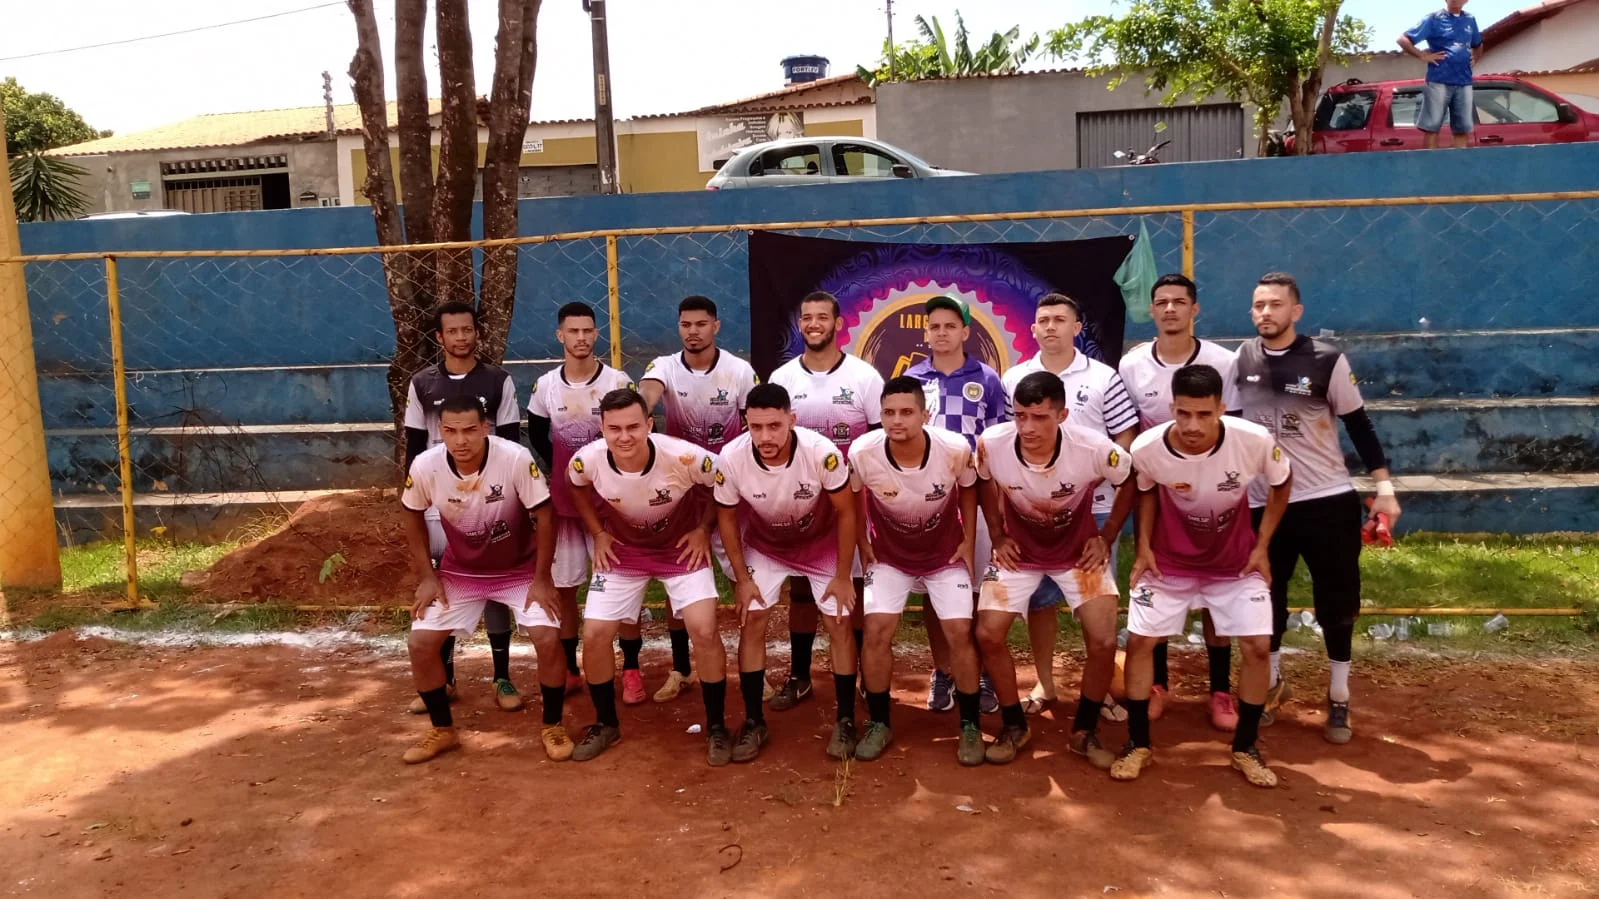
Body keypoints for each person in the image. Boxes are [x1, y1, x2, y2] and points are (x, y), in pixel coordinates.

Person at [1235, 272, 1401, 744]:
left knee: (1337, 603)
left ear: (1296, 311)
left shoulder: (1326, 359)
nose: (1265, 312)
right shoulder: (1242, 360)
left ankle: (1339, 696)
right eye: (1258, 305)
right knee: (1266, 599)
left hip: (1325, 500)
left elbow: (1360, 425)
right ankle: (1270, 686)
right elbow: (1230, 428)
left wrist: (1385, 488)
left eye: (1275, 305)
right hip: (1263, 504)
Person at [1112, 364, 1292, 787]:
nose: (1193, 425)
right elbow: (1144, 490)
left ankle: (1245, 748)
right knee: (1139, 643)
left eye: (1204, 415)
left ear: (1222, 409)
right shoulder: (1148, 447)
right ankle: (1138, 743)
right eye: (1184, 413)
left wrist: (1262, 546)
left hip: (1235, 564)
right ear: (1172, 408)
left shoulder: (1253, 441)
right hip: (1169, 564)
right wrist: (1143, 549)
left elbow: (1282, 483)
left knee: (1258, 648)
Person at [566, 388, 732, 765]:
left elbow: (722, 482)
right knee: (593, 635)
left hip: (681, 549)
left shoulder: (684, 456)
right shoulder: (586, 461)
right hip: (624, 552)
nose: (624, 437)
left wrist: (704, 529)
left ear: (648, 425)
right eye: (614, 429)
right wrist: (598, 532)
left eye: (633, 427)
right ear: (602, 430)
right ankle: (606, 723)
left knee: (704, 629)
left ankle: (717, 727)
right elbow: (573, 485)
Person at [975, 372, 1133, 767]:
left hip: (1078, 553)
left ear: (1062, 415)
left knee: (1102, 640)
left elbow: (1131, 481)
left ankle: (1085, 730)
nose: (1028, 427)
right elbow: (981, 483)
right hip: (1019, 553)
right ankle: (1014, 725)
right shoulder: (991, 444)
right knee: (987, 634)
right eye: (1021, 415)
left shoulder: (1093, 447)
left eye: (1040, 417)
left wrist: (1107, 535)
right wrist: (996, 535)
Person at [399, 395, 563, 764]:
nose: (461, 440)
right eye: (451, 431)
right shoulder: (426, 466)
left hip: (520, 569)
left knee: (548, 638)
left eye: (470, 430)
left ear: (486, 428)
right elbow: (411, 513)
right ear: (439, 431)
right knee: (420, 643)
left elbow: (546, 515)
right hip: (460, 572)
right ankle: (442, 730)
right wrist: (427, 575)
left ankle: (552, 725)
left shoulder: (515, 459)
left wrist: (542, 579)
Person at [1001, 294, 1140, 717]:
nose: (1050, 327)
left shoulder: (1103, 377)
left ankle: (1103, 692)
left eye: (1060, 320)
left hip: (1093, 512)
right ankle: (1045, 685)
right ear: (1033, 329)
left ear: (1077, 327)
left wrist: (1102, 495)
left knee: (1095, 608)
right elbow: (1005, 445)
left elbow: (1125, 442)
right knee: (1039, 605)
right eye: (1043, 320)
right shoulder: (1014, 378)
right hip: (1032, 515)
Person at [1117, 274, 1243, 731]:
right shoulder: (1132, 365)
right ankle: (1157, 684)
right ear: (1151, 311)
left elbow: (1237, 432)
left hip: (1215, 495)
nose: (1169, 309)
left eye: (1179, 302)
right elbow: (1129, 434)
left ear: (1195, 310)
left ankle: (1221, 690)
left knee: (1217, 594)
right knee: (1158, 584)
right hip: (1157, 495)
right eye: (1161, 302)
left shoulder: (1223, 363)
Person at [713, 383, 860, 762]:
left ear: (792, 420)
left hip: (821, 543)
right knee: (753, 619)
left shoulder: (820, 452)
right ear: (745, 422)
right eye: (756, 426)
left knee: (840, 621)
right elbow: (726, 519)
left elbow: (847, 512)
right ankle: (753, 721)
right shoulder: (730, 457)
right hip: (767, 545)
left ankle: (845, 719)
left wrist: (843, 575)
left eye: (775, 426)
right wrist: (742, 580)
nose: (765, 436)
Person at [850, 377, 983, 765]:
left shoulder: (955, 448)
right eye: (889, 413)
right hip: (889, 557)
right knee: (875, 630)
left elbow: (971, 489)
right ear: (880, 415)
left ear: (926, 414)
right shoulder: (863, 451)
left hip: (944, 555)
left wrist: (968, 542)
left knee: (959, 632)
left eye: (907, 412)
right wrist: (862, 542)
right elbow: (854, 498)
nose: (897, 421)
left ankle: (970, 725)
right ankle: (879, 722)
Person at [400, 301, 525, 715]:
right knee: (443, 579)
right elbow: (415, 445)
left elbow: (511, 442)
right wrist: (415, 494)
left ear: (477, 334)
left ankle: (502, 675)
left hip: (490, 499)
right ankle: (447, 676)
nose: (460, 337)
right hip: (440, 500)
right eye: (451, 331)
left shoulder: (498, 381)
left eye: (467, 330)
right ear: (440, 338)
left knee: (490, 577)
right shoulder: (422, 385)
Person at [639, 295, 759, 704]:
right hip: (679, 491)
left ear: (716, 327)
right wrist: (640, 410)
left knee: (743, 574)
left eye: (701, 324)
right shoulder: (664, 368)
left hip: (728, 489)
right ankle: (681, 668)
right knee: (679, 578)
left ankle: (751, 667)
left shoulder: (740, 372)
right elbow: (649, 393)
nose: (693, 331)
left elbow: (751, 426)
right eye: (686, 324)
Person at [767, 291, 883, 713]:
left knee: (849, 591)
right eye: (806, 317)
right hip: (797, 506)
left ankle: (859, 678)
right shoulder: (782, 379)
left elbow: (876, 445)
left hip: (849, 504)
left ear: (839, 324)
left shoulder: (865, 377)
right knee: (800, 590)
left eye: (822, 317)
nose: (813, 324)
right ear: (800, 324)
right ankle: (799, 676)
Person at [905, 295, 1008, 717]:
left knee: (978, 585)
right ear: (926, 332)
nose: (941, 333)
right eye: (935, 326)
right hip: (928, 502)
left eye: (950, 326)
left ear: (966, 332)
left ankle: (981, 671)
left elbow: (1000, 442)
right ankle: (943, 669)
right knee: (935, 585)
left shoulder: (986, 379)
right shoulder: (913, 377)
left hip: (977, 498)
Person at [525, 303, 635, 699]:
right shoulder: (546, 387)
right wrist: (565, 473)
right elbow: (538, 437)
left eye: (588, 331)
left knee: (618, 581)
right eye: (573, 332)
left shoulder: (617, 381)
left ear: (596, 334)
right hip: (565, 504)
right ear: (561, 336)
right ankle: (571, 668)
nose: (582, 338)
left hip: (611, 503)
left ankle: (633, 667)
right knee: (566, 586)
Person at [1399, 0, 1482, 150]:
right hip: (1439, 80)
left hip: (1464, 81)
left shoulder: (1470, 19)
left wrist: (1475, 57)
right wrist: (1422, 56)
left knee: (1462, 129)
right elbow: (1403, 40)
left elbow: (1478, 44)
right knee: (1432, 127)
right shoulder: (1433, 18)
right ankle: (1431, 168)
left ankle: (1458, 166)